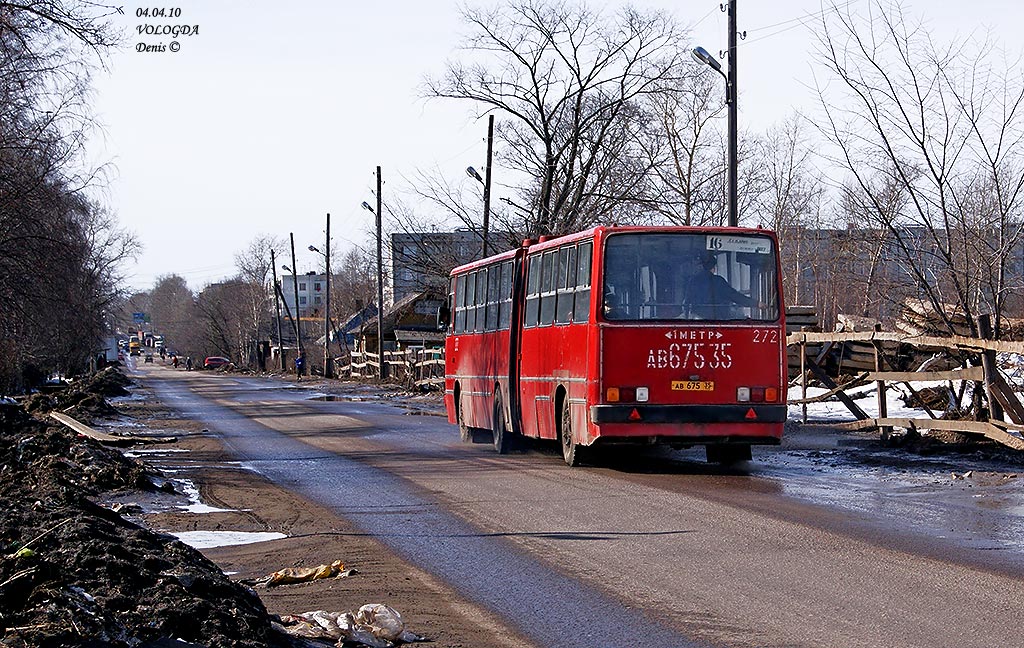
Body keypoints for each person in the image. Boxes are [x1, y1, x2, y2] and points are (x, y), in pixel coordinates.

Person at [683, 252, 762, 319]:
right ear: (713, 268)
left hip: (697, 323)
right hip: (716, 322)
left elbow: (686, 303)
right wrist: (756, 303)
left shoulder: (692, 281)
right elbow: (734, 296)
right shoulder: (718, 281)